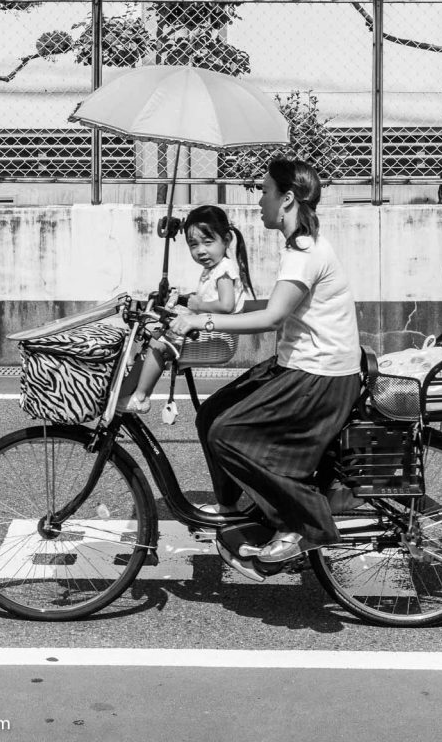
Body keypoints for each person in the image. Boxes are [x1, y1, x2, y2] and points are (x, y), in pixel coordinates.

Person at [169, 157, 361, 572]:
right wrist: (197, 306)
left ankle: (301, 523)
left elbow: (272, 318)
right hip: (301, 364)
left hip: (319, 375)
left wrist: (201, 319)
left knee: (227, 433)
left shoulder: (304, 252)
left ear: (287, 198)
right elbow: (276, 307)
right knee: (212, 414)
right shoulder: (298, 247)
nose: (258, 200)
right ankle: (239, 511)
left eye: (264, 191)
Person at [122, 205, 255, 414]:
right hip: (206, 329)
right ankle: (124, 395)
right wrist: (184, 300)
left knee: (157, 343)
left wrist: (198, 305)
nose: (200, 250)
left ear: (226, 240)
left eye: (208, 242)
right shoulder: (213, 269)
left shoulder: (224, 270)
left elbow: (226, 305)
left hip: (216, 337)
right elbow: (208, 299)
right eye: (194, 245)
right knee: (150, 336)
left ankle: (141, 397)